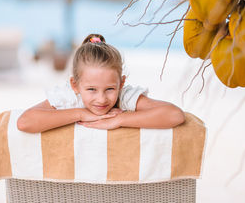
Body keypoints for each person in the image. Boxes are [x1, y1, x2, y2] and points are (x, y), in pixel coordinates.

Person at [17, 34, 185, 133]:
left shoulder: (124, 96)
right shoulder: (69, 96)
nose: (102, 99)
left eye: (110, 89)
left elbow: (174, 115)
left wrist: (119, 120)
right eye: (91, 89)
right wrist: (81, 114)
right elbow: (25, 122)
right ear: (75, 85)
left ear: (121, 83)